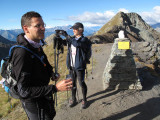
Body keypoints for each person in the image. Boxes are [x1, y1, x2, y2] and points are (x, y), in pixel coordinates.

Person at [11, 11, 72, 120]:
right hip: (34, 105)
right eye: (38, 26)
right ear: (26, 28)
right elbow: (24, 91)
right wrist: (55, 88)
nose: (43, 28)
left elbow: (43, 62)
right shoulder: (22, 53)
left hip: (44, 97)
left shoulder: (36, 44)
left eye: (43, 25)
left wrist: (51, 73)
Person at [65, 22, 88, 109]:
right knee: (73, 83)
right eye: (73, 29)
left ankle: (85, 100)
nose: (73, 30)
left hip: (79, 66)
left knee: (81, 83)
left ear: (80, 30)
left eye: (75, 29)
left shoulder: (84, 40)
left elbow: (78, 44)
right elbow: (68, 46)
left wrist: (68, 37)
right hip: (72, 65)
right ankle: (74, 99)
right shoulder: (72, 39)